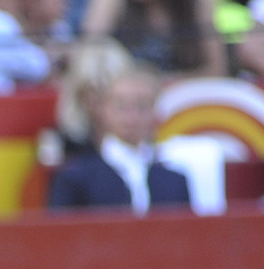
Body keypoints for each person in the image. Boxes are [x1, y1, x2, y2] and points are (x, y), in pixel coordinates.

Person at [47, 64, 191, 212]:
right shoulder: (75, 178)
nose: (131, 117)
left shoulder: (174, 181)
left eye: (142, 106)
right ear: (103, 111)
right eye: (121, 106)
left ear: (156, 113)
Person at [78, 0, 222, 77]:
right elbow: (88, 56)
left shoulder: (197, 4)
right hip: (126, 105)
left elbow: (218, 70)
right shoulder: (113, 4)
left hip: (184, 103)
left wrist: (168, 83)